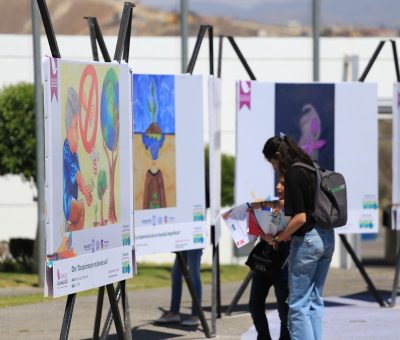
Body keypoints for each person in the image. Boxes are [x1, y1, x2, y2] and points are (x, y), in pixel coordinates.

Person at [262, 134, 335, 340]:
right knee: (314, 301)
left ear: (278, 155)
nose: (273, 167)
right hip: (327, 237)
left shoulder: (293, 173)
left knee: (297, 305)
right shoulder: (312, 166)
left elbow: (300, 218)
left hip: (308, 241)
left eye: (271, 161)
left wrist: (279, 238)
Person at [247, 175, 290, 340]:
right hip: (264, 260)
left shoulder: (297, 205)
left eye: (283, 184)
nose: (278, 187)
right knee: (255, 305)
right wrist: (267, 237)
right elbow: (258, 228)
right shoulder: (271, 204)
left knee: (283, 309)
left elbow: (298, 227)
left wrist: (280, 237)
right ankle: (263, 337)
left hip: (284, 262)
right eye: (278, 183)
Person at [63, 87, 93, 231]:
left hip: (72, 201)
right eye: (76, 126)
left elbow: (79, 92)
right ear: (68, 128)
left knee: (80, 214)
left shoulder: (73, 151)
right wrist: (86, 192)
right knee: (80, 210)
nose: (78, 134)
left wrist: (87, 108)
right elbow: (77, 174)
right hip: (68, 204)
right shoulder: (67, 149)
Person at [156, 249, 203, 326]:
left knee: (194, 276)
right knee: (176, 275)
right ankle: (174, 313)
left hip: (194, 241)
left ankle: (195, 316)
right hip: (184, 243)